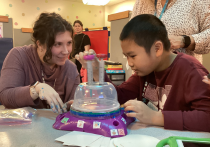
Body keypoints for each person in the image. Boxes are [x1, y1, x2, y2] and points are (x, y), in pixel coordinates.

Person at [76, 14, 210, 132]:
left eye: (132, 56)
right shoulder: (145, 72)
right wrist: (95, 71)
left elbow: (207, 117)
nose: (130, 63)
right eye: (126, 57)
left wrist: (155, 117)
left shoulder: (191, 71)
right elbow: (118, 96)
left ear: (157, 49)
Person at [0, 12, 80, 113]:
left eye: (69, 43)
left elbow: (75, 104)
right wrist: (36, 89)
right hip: (23, 126)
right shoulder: (18, 56)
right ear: (40, 44)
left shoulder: (71, 69)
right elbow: (5, 97)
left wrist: (73, 106)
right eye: (57, 44)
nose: (66, 51)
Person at [130, 0, 210, 63]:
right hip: (146, 76)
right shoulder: (141, 2)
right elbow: (130, 35)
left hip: (182, 76)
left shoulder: (199, 1)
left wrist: (184, 40)